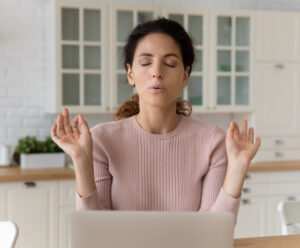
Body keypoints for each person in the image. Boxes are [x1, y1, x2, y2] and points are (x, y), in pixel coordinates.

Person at [51, 18, 261, 219]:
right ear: (130, 73)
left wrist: (239, 167)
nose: (157, 72)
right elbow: (94, 233)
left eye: (169, 64)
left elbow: (215, 231)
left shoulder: (212, 142)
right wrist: (80, 161)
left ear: (185, 76)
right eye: (145, 62)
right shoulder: (102, 140)